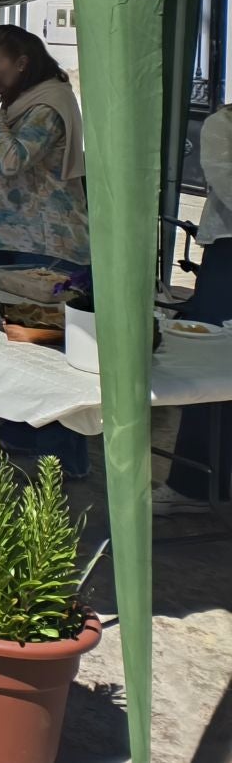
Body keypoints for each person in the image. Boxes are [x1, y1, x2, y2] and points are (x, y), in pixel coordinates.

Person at [0, 23, 92, 477]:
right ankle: (21, 433)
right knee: (19, 345)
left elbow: (14, 160)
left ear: (22, 63)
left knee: (49, 353)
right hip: (14, 240)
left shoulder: (49, 105)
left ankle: (64, 455)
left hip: (49, 244)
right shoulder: (17, 106)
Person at [158, 101, 232, 515]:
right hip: (228, 255)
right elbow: (229, 186)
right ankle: (195, 484)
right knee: (212, 366)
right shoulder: (224, 123)